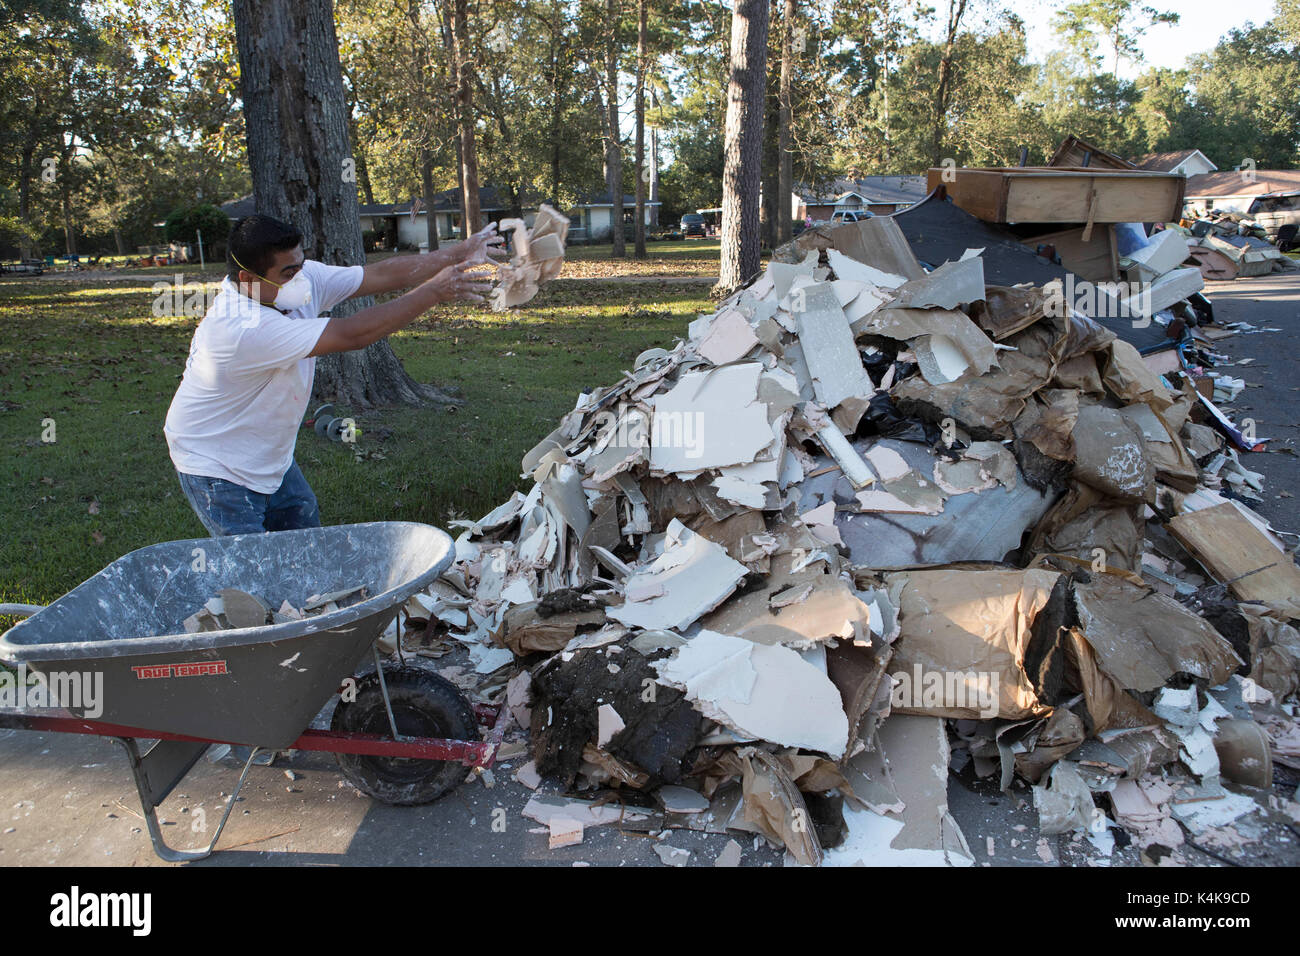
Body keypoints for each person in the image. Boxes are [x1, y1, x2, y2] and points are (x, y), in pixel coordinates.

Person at [164, 213, 502, 536]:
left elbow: (380, 275)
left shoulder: (293, 280)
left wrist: (459, 253)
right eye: (288, 273)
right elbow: (353, 334)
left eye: (300, 265)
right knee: (252, 567)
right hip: (215, 463)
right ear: (248, 280)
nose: (301, 278)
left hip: (265, 452)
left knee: (304, 536)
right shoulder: (241, 328)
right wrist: (434, 291)